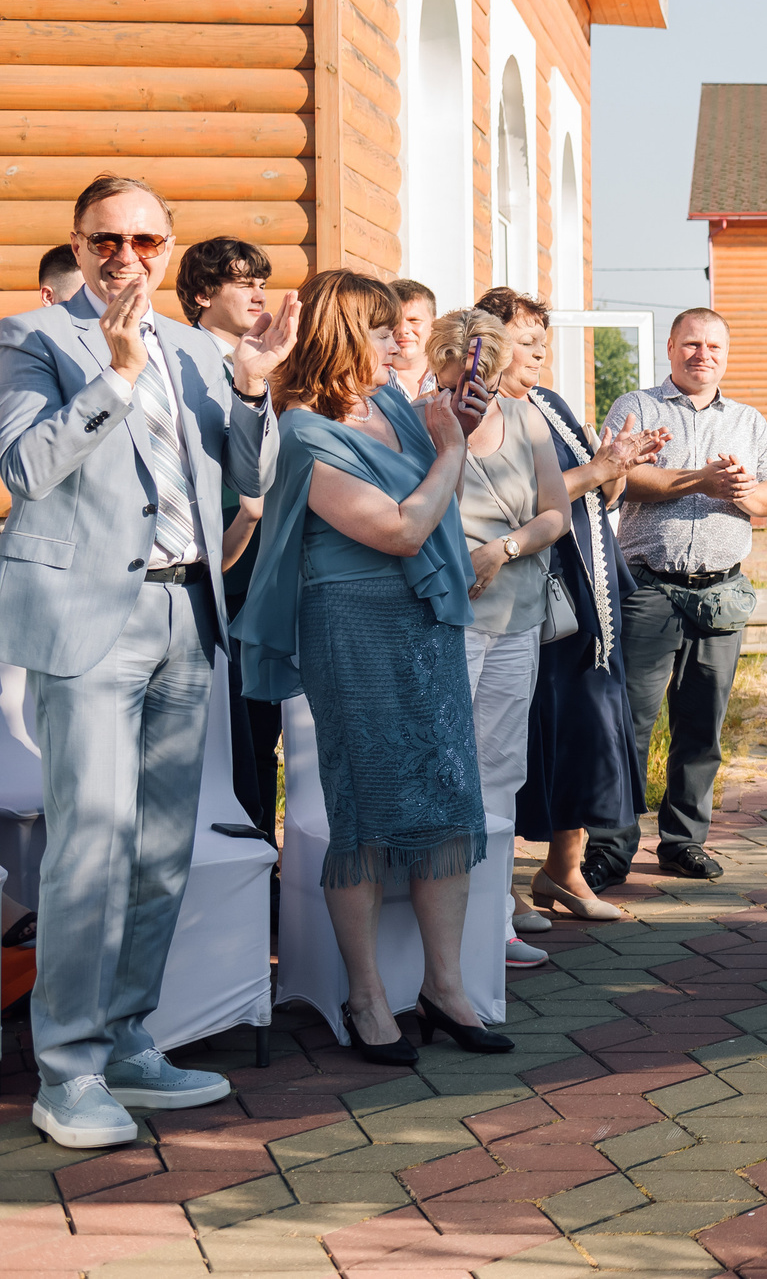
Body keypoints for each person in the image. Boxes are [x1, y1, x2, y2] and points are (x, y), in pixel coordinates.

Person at [0, 175, 297, 1149]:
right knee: (90, 844)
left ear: (169, 250)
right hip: (88, 619)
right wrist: (115, 378)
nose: (126, 258)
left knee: (162, 850)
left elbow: (245, 482)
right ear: (79, 247)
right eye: (106, 242)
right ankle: (68, 1069)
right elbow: (26, 470)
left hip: (187, 611)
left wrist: (252, 386)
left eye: (144, 241)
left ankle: (127, 1039)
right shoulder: (32, 339)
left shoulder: (193, 350)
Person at [234, 272, 512, 1067]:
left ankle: (447, 987)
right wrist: (450, 450)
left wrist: (455, 428)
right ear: (342, 333)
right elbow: (398, 526)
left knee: (449, 792)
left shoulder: (394, 404)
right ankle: (364, 995)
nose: (403, 341)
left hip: (424, 616)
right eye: (384, 328)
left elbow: (438, 502)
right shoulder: (301, 427)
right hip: (351, 621)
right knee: (368, 801)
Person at [473, 288, 665, 927]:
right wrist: (596, 471)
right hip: (532, 592)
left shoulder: (550, 405)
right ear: (489, 343)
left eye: (541, 341)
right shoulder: (481, 412)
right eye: (525, 341)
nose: (539, 352)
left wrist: (617, 468)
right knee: (526, 738)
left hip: (591, 587)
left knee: (589, 729)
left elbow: (597, 489)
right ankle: (498, 887)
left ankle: (564, 870)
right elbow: (525, 501)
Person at [590, 309, 767, 887]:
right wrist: (702, 480)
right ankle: (611, 845)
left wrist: (744, 492)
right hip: (648, 589)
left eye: (714, 347)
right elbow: (620, 480)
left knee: (701, 728)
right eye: (691, 344)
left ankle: (682, 841)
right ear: (671, 348)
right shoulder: (637, 407)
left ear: (727, 354)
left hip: (719, 593)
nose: (702, 355)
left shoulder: (748, 421)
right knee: (628, 723)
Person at [426, 308, 570, 969]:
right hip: (444, 621)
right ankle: (438, 936)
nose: (472, 386)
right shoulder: (421, 418)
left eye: (483, 372)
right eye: (459, 374)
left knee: (501, 772)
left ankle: (495, 921)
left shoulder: (528, 419)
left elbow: (555, 515)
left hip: (514, 617)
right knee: (446, 768)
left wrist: (501, 550)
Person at [174, 235, 284, 828]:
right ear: (199, 293)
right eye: (241, 281)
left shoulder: (271, 361)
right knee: (229, 733)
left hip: (267, 569)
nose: (256, 292)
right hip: (216, 568)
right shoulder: (182, 361)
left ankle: (261, 856)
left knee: (261, 729)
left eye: (259, 280)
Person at [385, 280, 437, 402]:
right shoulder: (367, 384)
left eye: (414, 320)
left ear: (434, 325)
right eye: (394, 321)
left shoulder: (451, 380)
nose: (403, 330)